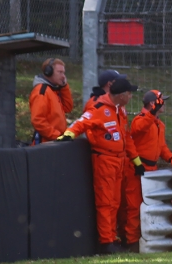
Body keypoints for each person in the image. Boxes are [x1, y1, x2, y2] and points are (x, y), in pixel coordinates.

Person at [57, 77, 145, 254]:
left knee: (115, 202)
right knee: (106, 202)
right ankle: (106, 242)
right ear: (121, 95)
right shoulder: (99, 109)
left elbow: (126, 137)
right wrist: (68, 135)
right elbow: (81, 123)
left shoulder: (121, 111)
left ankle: (112, 238)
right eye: (129, 94)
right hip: (104, 160)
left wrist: (136, 160)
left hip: (119, 161)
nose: (131, 97)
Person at [119, 90, 172, 252]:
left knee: (151, 207)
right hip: (136, 168)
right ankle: (131, 243)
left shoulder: (158, 124)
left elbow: (162, 148)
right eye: (161, 101)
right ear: (152, 104)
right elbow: (138, 130)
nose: (164, 104)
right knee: (133, 207)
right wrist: (153, 112)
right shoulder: (140, 120)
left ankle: (147, 240)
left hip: (151, 171)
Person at [29, 58, 75, 144]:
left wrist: (64, 87)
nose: (63, 76)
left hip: (54, 142)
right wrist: (57, 136)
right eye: (60, 72)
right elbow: (38, 121)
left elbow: (68, 107)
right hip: (47, 143)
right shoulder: (42, 91)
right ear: (48, 72)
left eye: (63, 72)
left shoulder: (53, 90)